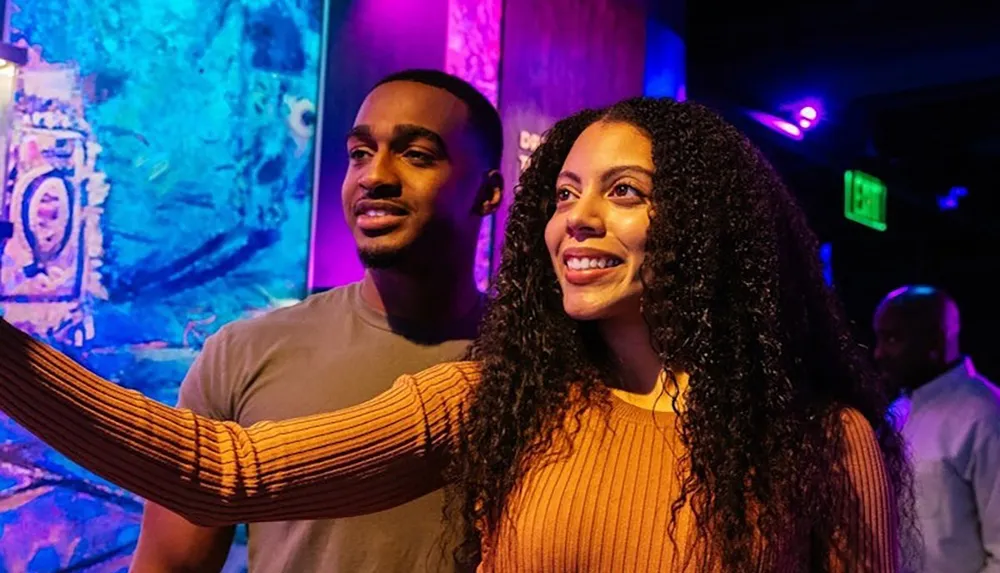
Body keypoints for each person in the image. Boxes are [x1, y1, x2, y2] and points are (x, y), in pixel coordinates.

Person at [0, 98, 914, 572]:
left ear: (710, 230)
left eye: (623, 193)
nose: (576, 222)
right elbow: (222, 468)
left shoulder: (824, 443)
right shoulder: (500, 401)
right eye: (563, 196)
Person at [130, 69, 504, 573]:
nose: (375, 176)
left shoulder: (537, 363)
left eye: (416, 155)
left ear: (487, 193)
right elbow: (168, 564)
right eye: (359, 154)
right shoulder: (244, 354)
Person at [875, 285, 1000, 572]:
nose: (879, 353)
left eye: (892, 339)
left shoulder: (985, 416)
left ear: (934, 341)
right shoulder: (896, 412)